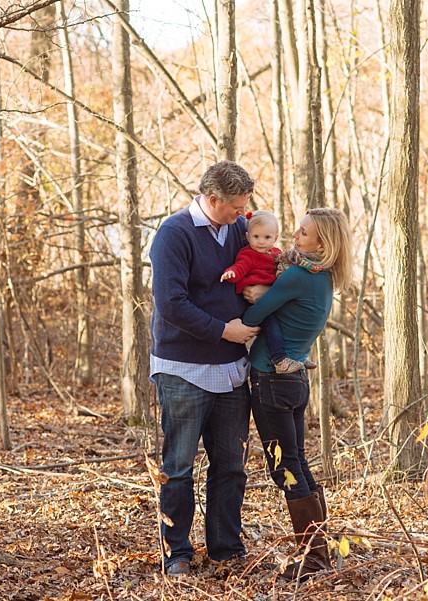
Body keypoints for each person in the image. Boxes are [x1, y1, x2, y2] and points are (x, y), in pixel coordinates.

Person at [149, 160, 261, 578]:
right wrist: (223, 331)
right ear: (213, 199)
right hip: (183, 368)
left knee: (230, 465)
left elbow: (261, 260)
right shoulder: (173, 234)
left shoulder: (237, 229)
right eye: (236, 205)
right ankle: (176, 552)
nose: (241, 213)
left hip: (231, 369)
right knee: (178, 468)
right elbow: (171, 303)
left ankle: (226, 549)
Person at [242, 207, 353, 581]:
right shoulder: (320, 278)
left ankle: (315, 559)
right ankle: (318, 553)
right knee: (298, 464)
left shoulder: (297, 278)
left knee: (286, 468)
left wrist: (257, 294)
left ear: (322, 243)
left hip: (272, 382)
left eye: (303, 234)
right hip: (292, 382)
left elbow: (255, 318)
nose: (294, 236)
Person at [220, 210, 311, 374]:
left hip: (273, 296)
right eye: (256, 237)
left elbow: (285, 266)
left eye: (267, 237)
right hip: (256, 302)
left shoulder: (276, 253)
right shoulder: (248, 254)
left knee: (289, 318)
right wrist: (232, 273)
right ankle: (279, 359)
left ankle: (297, 355)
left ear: (275, 238)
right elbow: (240, 267)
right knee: (272, 324)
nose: (261, 242)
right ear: (248, 237)